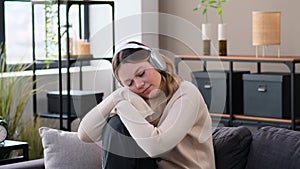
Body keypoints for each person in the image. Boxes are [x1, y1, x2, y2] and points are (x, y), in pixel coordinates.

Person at [78, 41, 215, 169]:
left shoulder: (187, 93)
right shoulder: (135, 98)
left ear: (157, 63)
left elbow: (156, 147)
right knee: (116, 124)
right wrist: (118, 96)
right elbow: (85, 134)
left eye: (141, 74)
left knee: (118, 120)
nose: (139, 85)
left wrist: (122, 106)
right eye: (129, 83)